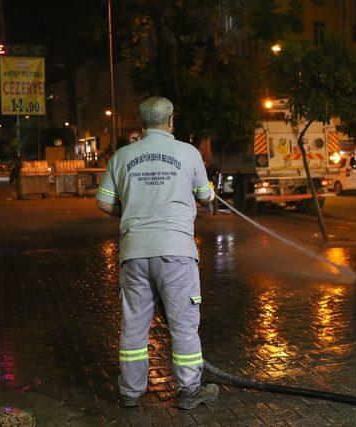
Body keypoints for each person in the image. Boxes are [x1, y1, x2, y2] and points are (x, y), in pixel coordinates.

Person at [96, 96, 218, 410]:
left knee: (135, 324)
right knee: (183, 324)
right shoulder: (188, 153)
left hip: (134, 253)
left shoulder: (122, 156)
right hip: (176, 253)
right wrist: (208, 193)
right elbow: (205, 197)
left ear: (141, 122)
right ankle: (189, 390)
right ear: (171, 120)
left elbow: (105, 203)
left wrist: (130, 214)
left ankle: (130, 392)